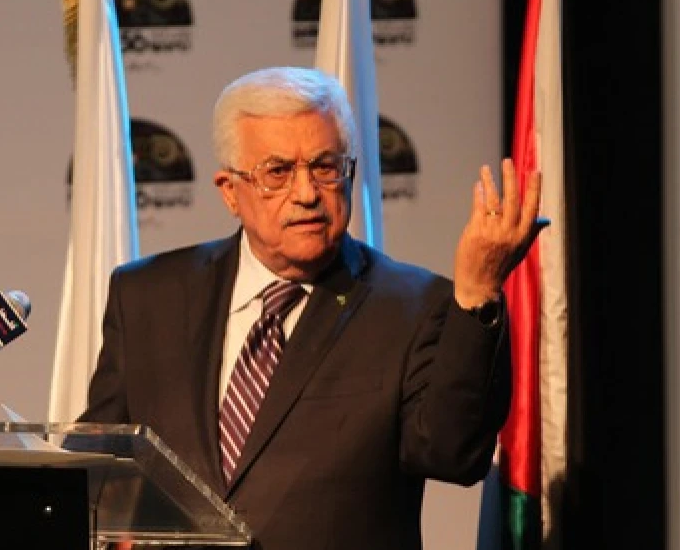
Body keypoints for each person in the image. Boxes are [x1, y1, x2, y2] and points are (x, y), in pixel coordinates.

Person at [80, 66, 546, 550]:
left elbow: (454, 454)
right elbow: (99, 468)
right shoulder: (146, 296)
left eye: (325, 167)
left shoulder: (412, 307)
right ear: (229, 191)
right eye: (277, 172)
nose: (306, 194)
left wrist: (478, 290)